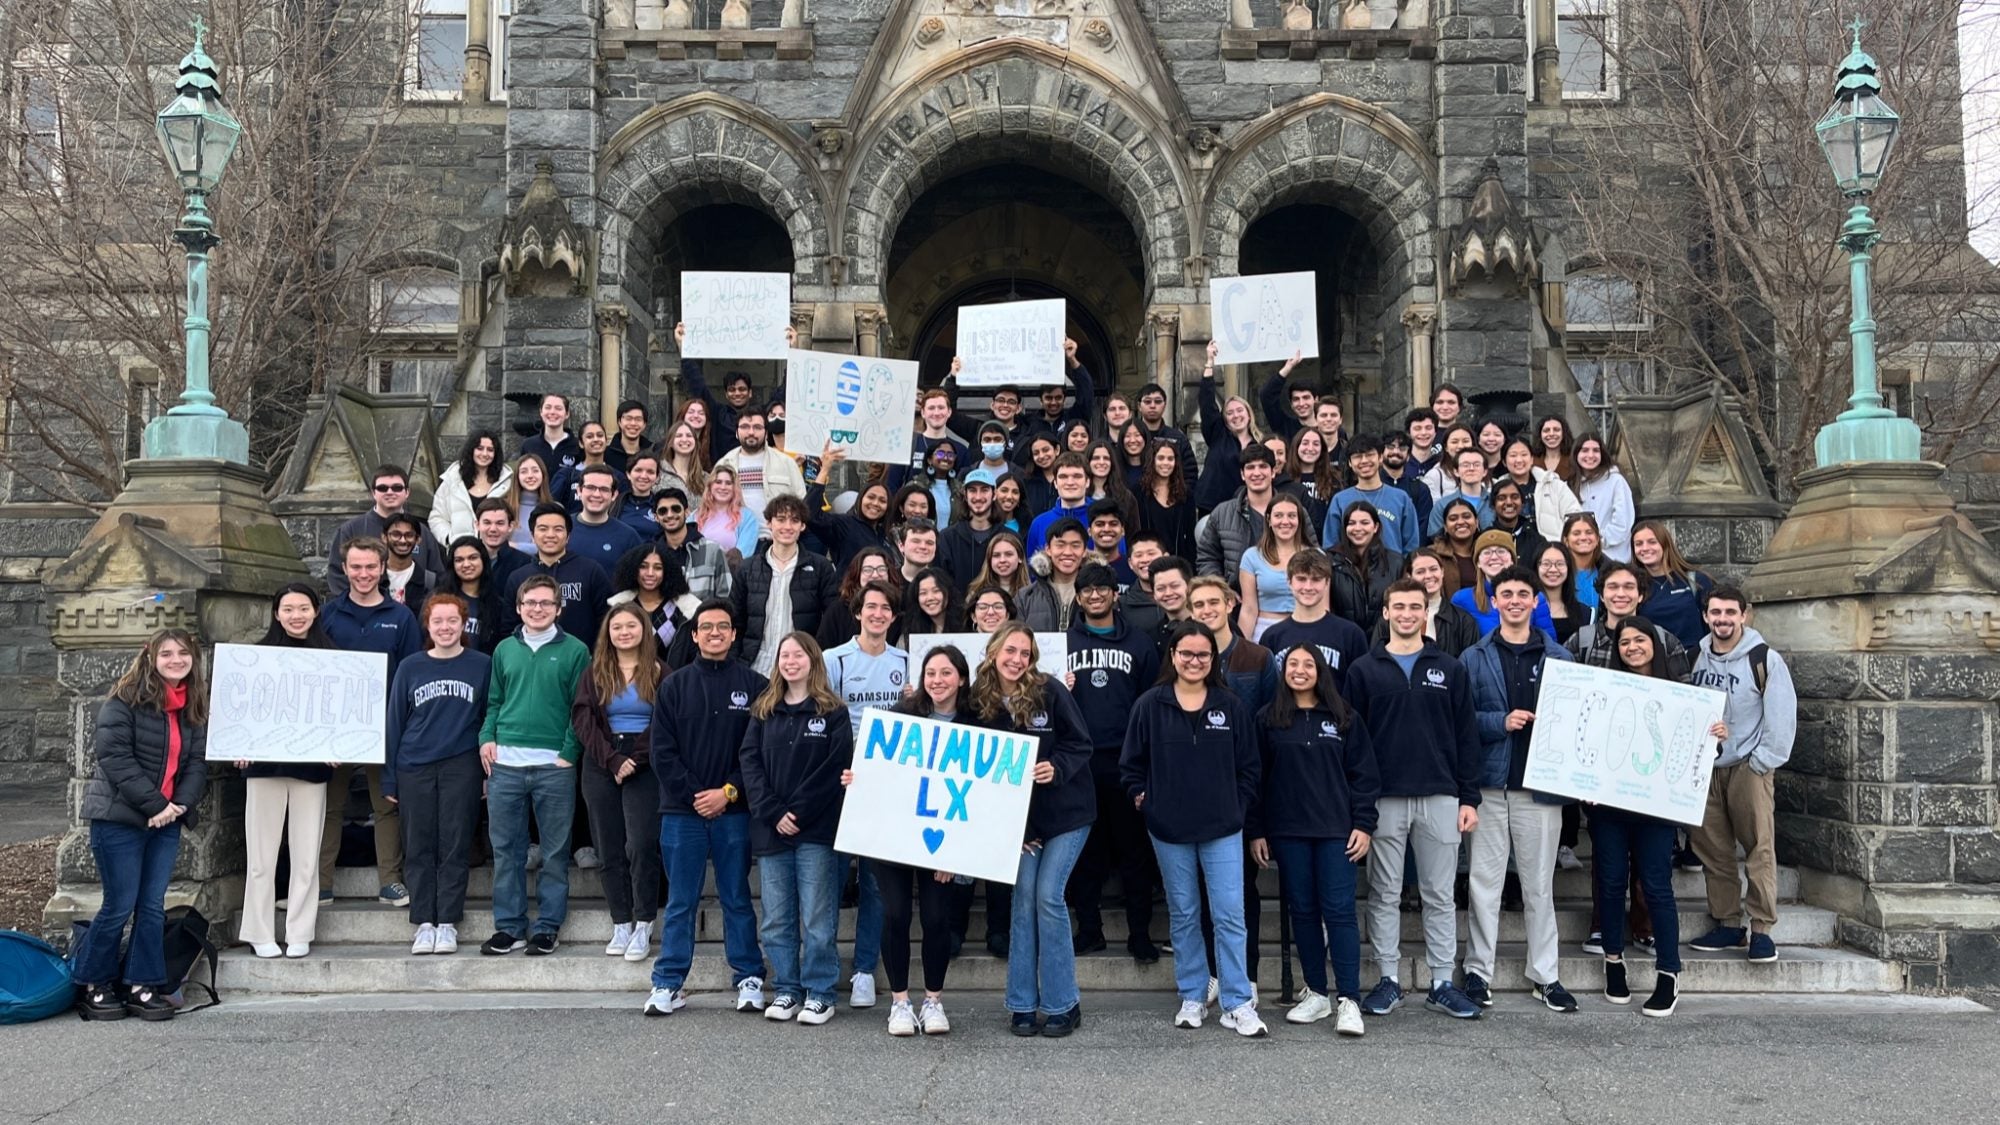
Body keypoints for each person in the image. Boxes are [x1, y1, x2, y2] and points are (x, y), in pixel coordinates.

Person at [1346, 578, 1483, 1021]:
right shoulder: (1364, 670)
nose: (1406, 613)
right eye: (1398, 606)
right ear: (1385, 613)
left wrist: (1469, 797)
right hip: (1384, 797)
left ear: (1427, 613)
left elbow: (1466, 735)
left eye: (1415, 607)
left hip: (1442, 795)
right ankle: (1388, 979)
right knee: (1384, 892)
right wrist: (1359, 804)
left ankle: (1442, 981)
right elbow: (1355, 743)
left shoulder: (1450, 667)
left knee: (1440, 894)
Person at [1120, 621, 1265, 1036]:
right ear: (1173, 655)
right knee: (1184, 914)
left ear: (1213, 659)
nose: (1194, 661)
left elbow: (1249, 767)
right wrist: (1143, 798)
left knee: (1229, 915)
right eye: (1186, 653)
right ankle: (1192, 995)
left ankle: (1237, 1001)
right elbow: (1131, 766)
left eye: (1203, 654)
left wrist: (1236, 807)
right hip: (1168, 829)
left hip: (1222, 827)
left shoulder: (1230, 705)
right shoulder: (1150, 705)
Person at [1458, 566, 1580, 1013]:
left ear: (1536, 602)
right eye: (1505, 593)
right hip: (1490, 785)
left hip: (1539, 788)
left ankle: (1546, 975)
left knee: (1539, 886)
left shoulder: (1561, 659)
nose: (1513, 600)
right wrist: (1499, 722)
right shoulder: (1473, 657)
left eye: (1522, 594)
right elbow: (1461, 723)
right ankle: (1477, 972)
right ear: (1495, 600)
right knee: (1483, 885)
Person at [73, 629, 210, 1021]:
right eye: (166, 653)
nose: (175, 660)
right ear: (150, 657)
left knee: (151, 906)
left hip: (166, 819)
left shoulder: (194, 705)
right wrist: (156, 805)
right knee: (119, 904)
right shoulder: (124, 701)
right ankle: (93, 983)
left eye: (183, 653)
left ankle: (141, 984)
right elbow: (114, 758)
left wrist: (178, 805)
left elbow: (197, 763)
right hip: (121, 819)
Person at [645, 598, 771, 1016]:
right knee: (681, 901)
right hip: (683, 814)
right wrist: (698, 796)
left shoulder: (755, 686)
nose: (715, 633)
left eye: (723, 627)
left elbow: (758, 752)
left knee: (736, 896)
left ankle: (749, 976)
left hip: (734, 813)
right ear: (694, 635)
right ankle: (668, 983)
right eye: (707, 627)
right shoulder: (674, 685)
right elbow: (662, 752)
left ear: (734, 634)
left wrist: (728, 793)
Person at [971, 624, 1093, 1037]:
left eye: (1025, 653)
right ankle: (1022, 1003)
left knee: (1047, 896)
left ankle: (1063, 1003)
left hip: (1067, 814)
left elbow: (1080, 744)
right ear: (992, 651)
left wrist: (1055, 767)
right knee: (1022, 899)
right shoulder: (979, 701)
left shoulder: (1051, 691)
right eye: (1010, 650)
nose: (1017, 659)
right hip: (1019, 824)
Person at [1249, 643, 1377, 1036]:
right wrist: (1256, 830)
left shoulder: (1344, 717)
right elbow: (1254, 778)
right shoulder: (1268, 719)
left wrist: (1364, 824)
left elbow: (1364, 775)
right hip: (1288, 831)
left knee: (1338, 911)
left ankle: (1349, 1000)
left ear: (1321, 671)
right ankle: (1318, 994)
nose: (1300, 670)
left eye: (1308, 664)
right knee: (1302, 911)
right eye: (1292, 664)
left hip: (1336, 831)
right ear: (1283, 671)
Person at [1598, 616, 1716, 1017]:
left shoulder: (1683, 694)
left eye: (1639, 639)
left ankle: (1668, 972)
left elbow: (1698, 753)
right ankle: (1613, 962)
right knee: (1611, 885)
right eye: (1624, 641)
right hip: (1610, 807)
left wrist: (1715, 736)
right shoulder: (1606, 689)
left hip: (1657, 806)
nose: (1631, 646)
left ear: (1655, 644)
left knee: (1656, 886)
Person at [740, 631, 854, 1025]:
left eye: (799, 654)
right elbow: (750, 765)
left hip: (816, 831)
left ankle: (820, 992)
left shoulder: (833, 713)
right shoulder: (763, 711)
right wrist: (774, 812)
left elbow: (833, 770)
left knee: (817, 918)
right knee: (776, 917)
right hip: (772, 831)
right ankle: (787, 989)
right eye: (784, 655)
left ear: (813, 660)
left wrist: (799, 813)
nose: (791, 661)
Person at [863, 646, 977, 1036]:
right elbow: (875, 772)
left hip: (945, 842)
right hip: (893, 838)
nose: (938, 681)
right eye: (931, 673)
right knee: (895, 914)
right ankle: (899, 1003)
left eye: (946, 673)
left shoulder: (978, 722)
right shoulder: (900, 717)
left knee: (936, 918)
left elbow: (982, 797)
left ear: (962, 677)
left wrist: (956, 851)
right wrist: (857, 779)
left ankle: (933, 1001)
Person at [475, 576, 589, 957]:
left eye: (545, 603)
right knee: (506, 849)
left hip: (553, 766)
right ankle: (510, 927)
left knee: (556, 852)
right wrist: (486, 737)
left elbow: (581, 708)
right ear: (520, 606)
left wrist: (568, 753)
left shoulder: (575, 651)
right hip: (505, 764)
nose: (537, 609)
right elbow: (494, 701)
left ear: (559, 608)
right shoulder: (505, 650)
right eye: (530, 603)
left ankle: (547, 927)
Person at [1688, 586, 1797, 965]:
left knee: (1758, 847)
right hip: (1706, 768)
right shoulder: (1696, 658)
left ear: (1744, 615)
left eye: (1729, 613)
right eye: (1715, 613)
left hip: (1748, 765)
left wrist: (1762, 761)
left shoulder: (1764, 659)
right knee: (1713, 850)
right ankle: (1728, 922)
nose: (1722, 619)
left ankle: (1762, 928)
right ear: (1706, 616)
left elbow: (1781, 715)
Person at [1063, 564, 1164, 964]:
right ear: (1079, 596)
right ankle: (1090, 930)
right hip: (1080, 763)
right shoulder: (1064, 643)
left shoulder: (1139, 643)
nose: (1094, 596)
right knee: (1085, 852)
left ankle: (1140, 934)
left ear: (1114, 594)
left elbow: (1152, 702)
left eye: (1102, 589)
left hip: (1125, 760)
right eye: (1086, 590)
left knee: (1134, 850)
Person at [386, 593, 491, 957]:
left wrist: (485, 773)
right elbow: (395, 723)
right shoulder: (411, 667)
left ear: (464, 624)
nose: (445, 628)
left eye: (452, 621)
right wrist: (389, 777)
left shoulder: (481, 665)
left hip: (461, 764)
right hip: (413, 765)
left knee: (455, 843)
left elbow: (486, 719)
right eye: (438, 622)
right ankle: (424, 922)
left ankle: (447, 922)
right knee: (418, 844)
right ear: (427, 626)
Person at [320, 537, 421, 907]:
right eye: (356, 567)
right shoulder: (328, 615)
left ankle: (390, 881)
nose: (363, 574)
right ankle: (320, 884)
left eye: (370, 567)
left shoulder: (401, 617)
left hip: (385, 726)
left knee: (387, 804)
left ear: (382, 569)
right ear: (345, 569)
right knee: (329, 804)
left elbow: (411, 672)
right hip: (335, 727)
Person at [236, 586, 335, 959]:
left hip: (312, 768)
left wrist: (341, 745)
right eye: (288, 608)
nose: (297, 615)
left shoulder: (333, 658)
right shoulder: (256, 657)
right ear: (276, 613)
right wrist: (239, 744)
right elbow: (240, 707)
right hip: (264, 766)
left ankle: (300, 932)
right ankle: (259, 931)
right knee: (261, 857)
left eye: (304, 608)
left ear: (315, 612)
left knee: (306, 856)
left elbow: (339, 711)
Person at [823, 582, 909, 1006]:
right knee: (834, 874)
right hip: (844, 779)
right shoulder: (834, 659)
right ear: (858, 612)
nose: (877, 614)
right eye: (870, 607)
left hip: (889, 784)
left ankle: (862, 970)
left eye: (885, 608)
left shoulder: (907, 663)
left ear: (893, 616)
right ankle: (820, 966)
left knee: (877, 882)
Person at [571, 602, 669, 965]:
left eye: (631, 626)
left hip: (645, 761)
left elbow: (665, 722)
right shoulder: (594, 672)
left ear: (644, 630)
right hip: (602, 761)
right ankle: (621, 921)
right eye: (617, 627)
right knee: (608, 847)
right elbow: (582, 720)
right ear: (607, 633)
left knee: (642, 844)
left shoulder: (660, 672)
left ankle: (644, 920)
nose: (624, 632)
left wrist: (634, 759)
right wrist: (612, 759)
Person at [731, 494, 840, 676]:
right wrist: (735, 663)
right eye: (781, 520)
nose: (787, 527)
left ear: (803, 526)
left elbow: (831, 620)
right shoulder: (747, 568)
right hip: (756, 667)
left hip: (802, 668)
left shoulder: (821, 567)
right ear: (769, 523)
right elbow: (735, 620)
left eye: (795, 520)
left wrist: (817, 659)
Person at [327, 464, 445, 598]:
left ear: (407, 492)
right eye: (382, 488)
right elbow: (336, 575)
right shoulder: (352, 529)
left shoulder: (422, 532)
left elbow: (436, 577)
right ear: (373, 493)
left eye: (397, 487)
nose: (390, 492)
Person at [501, 507, 612, 644]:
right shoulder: (518, 577)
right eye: (543, 529)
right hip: (532, 660)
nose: (550, 535)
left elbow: (606, 620)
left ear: (568, 536)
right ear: (532, 535)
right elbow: (509, 628)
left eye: (558, 529)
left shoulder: (591, 571)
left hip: (582, 660)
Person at [1261, 549, 1369, 679]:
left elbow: (1360, 689)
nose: (1308, 587)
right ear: (1289, 582)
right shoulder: (1272, 637)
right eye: (1301, 579)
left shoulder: (1351, 635)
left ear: (1327, 582)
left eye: (1316, 579)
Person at [675, 322, 763, 461]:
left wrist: (792, 350)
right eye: (732, 390)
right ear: (726, 395)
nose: (737, 393)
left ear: (750, 393)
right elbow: (698, 385)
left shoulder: (760, 414)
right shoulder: (718, 413)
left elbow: (782, 395)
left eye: (742, 389)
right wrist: (683, 348)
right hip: (722, 475)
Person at [1193, 341, 1263, 512]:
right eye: (1230, 413)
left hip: (1244, 509)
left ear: (1248, 413)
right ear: (1225, 419)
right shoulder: (1218, 435)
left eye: (1239, 410)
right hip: (1212, 507)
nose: (1236, 415)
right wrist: (1209, 362)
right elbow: (1207, 403)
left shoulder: (1260, 443)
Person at [1196, 444, 1284, 579]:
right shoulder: (1222, 513)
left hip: (1282, 594)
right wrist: (1223, 590)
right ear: (1242, 474)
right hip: (1236, 596)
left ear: (1273, 472)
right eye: (1250, 467)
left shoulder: (1293, 510)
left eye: (1263, 466)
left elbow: (1309, 552)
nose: (1257, 473)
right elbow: (1207, 558)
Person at [1373, 548, 1482, 657]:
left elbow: (1469, 664)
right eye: (1420, 571)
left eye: (1433, 569)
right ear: (1409, 576)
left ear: (1442, 572)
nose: (1429, 576)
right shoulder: (1390, 619)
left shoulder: (1463, 621)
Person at [1451, 530, 1557, 638]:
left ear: (1512, 559)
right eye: (1487, 552)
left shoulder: (1535, 596)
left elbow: (1549, 642)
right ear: (1478, 562)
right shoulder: (1462, 599)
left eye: (1501, 551)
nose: (1494, 557)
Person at [1330, 435, 1420, 555]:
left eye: (1369, 455)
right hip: (1350, 571)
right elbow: (1331, 544)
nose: (1364, 461)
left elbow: (1411, 545)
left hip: (1393, 571)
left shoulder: (1401, 498)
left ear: (1380, 458)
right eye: (1357, 457)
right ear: (1350, 463)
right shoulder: (1340, 500)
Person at [1236, 495, 1310, 642]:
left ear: (1299, 520)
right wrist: (1241, 648)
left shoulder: (1315, 556)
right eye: (1278, 516)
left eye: (1292, 516)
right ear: (1269, 520)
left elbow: (1323, 607)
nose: (1285, 521)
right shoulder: (1252, 557)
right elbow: (1249, 609)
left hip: (1306, 628)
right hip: (1265, 631)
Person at [1633, 521, 1715, 647]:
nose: (1645, 548)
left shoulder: (1695, 580)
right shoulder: (1633, 586)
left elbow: (1716, 621)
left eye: (1652, 542)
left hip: (1695, 660)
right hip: (1655, 661)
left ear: (1665, 544)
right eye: (1639, 544)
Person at [804, 454, 894, 570]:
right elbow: (810, 514)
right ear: (860, 499)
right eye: (871, 497)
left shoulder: (888, 534)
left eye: (882, 500)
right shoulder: (844, 525)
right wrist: (825, 470)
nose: (875, 503)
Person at [716, 404, 806, 515]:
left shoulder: (786, 463)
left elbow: (802, 503)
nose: (751, 432)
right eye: (745, 427)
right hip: (735, 531)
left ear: (766, 433)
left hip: (775, 532)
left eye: (757, 427)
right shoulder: (724, 464)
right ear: (736, 432)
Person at [1329, 501, 1403, 633]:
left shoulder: (1395, 562)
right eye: (1351, 523)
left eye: (1364, 523)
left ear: (1375, 527)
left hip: (1384, 641)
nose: (1357, 528)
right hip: (1344, 639)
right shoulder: (1331, 561)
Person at [654, 486, 733, 603]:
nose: (669, 515)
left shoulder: (712, 550)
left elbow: (726, 595)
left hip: (703, 619)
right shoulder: (652, 554)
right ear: (656, 517)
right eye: (663, 511)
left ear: (687, 512)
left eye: (675, 509)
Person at [431, 430, 513, 543]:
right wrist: (449, 538)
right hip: (460, 553)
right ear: (471, 450)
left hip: (496, 553)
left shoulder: (506, 482)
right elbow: (437, 517)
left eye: (490, 450)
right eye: (479, 448)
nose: (484, 454)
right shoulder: (452, 479)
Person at [1572, 433, 1635, 562]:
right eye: (1585, 450)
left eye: (1596, 450)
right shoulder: (1573, 485)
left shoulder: (1616, 481)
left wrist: (1597, 542)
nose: (1590, 455)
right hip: (1582, 561)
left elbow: (1622, 523)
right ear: (1576, 454)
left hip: (1613, 559)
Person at [1019, 517, 1089, 632]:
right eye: (1060, 545)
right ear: (1048, 549)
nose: (1067, 552)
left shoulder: (1096, 595)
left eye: (1075, 546)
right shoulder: (1025, 597)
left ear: (1085, 551)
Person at [938, 468, 1003, 589]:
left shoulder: (1008, 537)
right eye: (972, 490)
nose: (978, 497)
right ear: (965, 495)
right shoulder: (947, 538)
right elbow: (941, 584)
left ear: (994, 495)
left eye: (984, 490)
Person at [568, 464, 644, 565]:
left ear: (614, 495)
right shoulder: (562, 528)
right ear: (579, 491)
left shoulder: (628, 537)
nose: (596, 494)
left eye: (604, 489)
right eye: (590, 487)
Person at [1024, 452, 1092, 556]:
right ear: (1055, 483)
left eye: (1077, 476)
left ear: (1087, 482)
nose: (1070, 482)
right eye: (1063, 477)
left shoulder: (1102, 521)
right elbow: (1032, 568)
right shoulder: (1039, 523)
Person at [694, 464, 765, 562]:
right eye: (718, 482)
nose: (723, 487)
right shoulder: (695, 515)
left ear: (734, 488)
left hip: (730, 573)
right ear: (710, 486)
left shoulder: (748, 517)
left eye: (728, 483)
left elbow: (742, 555)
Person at [1425, 447, 1496, 537]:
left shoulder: (1495, 503)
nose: (1471, 469)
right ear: (1456, 471)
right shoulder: (1442, 505)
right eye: (1465, 465)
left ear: (1485, 471)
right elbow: (1436, 539)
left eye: (1476, 465)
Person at [1284, 427, 1340, 533]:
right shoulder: (1286, 478)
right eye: (1305, 443)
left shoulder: (1334, 479)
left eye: (1316, 444)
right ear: (1296, 446)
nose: (1310, 448)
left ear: (1322, 449)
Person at [473, 498, 534, 591]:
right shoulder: (465, 561)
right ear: (477, 525)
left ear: (510, 526)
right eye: (487, 523)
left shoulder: (524, 563)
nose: (493, 529)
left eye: (500, 523)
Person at [1533, 542, 1587, 646]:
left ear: (1568, 568)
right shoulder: (1525, 607)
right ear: (1536, 567)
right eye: (1546, 564)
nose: (1553, 569)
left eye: (1560, 564)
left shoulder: (1585, 612)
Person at [1429, 496, 1482, 598]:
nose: (1461, 522)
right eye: (1453, 519)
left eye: (1466, 516)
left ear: (1476, 522)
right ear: (1445, 527)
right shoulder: (1432, 555)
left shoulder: (1489, 552)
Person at [521, 393, 583, 476]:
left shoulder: (578, 446)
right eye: (548, 407)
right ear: (541, 412)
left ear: (567, 414)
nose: (552, 412)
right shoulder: (528, 445)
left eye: (558, 408)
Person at [380, 514, 433, 607]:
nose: (403, 540)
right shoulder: (373, 577)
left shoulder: (430, 581)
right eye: (396, 534)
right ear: (384, 537)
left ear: (418, 540)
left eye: (409, 535)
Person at [1145, 555, 1196, 648]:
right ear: (1154, 595)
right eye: (1161, 588)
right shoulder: (1151, 639)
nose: (1168, 593)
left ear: (1190, 587)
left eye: (1175, 586)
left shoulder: (1210, 625)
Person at [508, 455, 556, 554]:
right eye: (524, 471)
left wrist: (515, 545)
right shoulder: (504, 506)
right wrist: (534, 547)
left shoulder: (555, 509)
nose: (530, 476)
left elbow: (555, 547)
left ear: (543, 474)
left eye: (535, 470)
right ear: (517, 476)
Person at [1560, 512, 1607, 612]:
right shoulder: (1555, 573)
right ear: (1566, 540)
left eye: (1589, 532)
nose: (1583, 537)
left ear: (1597, 538)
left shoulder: (1609, 571)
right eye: (1576, 533)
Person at [967, 530, 1029, 604]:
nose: (1002, 560)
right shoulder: (976, 594)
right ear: (989, 559)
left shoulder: (1032, 594)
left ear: (1020, 557)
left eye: (1008, 554)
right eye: (996, 555)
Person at [899, 567, 963, 637]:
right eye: (923, 593)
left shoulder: (966, 626)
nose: (930, 598)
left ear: (949, 593)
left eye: (936, 591)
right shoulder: (911, 630)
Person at [1419, 423, 1475, 502]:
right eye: (1454, 442)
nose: (1461, 446)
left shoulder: (1482, 472)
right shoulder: (1435, 476)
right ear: (1446, 447)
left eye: (1465, 441)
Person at [661, 419, 710, 501]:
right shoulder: (658, 473)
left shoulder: (706, 478)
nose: (684, 439)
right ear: (671, 443)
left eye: (689, 435)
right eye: (679, 436)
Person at [605, 399, 654, 474]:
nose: (633, 423)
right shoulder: (606, 454)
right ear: (619, 422)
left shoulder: (653, 452)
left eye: (638, 419)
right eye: (628, 418)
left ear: (644, 424)